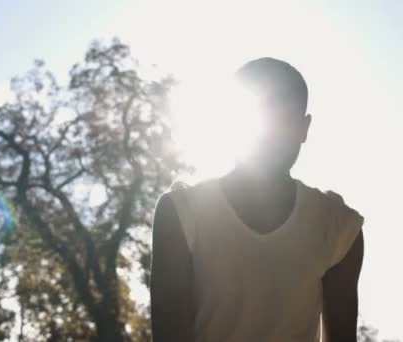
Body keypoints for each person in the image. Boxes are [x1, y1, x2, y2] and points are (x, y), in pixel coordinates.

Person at [150, 58, 364, 342]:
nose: (269, 136)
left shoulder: (338, 227)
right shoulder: (181, 213)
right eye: (261, 115)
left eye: (283, 120)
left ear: (305, 128)